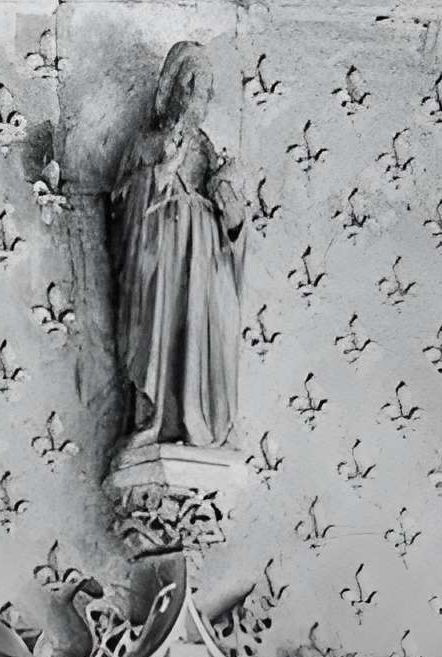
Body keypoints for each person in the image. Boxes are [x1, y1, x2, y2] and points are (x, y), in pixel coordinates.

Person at [111, 40, 247, 453]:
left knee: (205, 334)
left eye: (204, 90)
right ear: (171, 90)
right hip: (161, 262)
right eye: (189, 86)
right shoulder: (144, 145)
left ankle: (198, 416)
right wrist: (160, 174)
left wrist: (233, 214)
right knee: (158, 333)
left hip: (202, 265)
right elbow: (120, 212)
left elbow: (233, 235)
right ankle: (154, 418)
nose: (196, 98)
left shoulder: (208, 152)